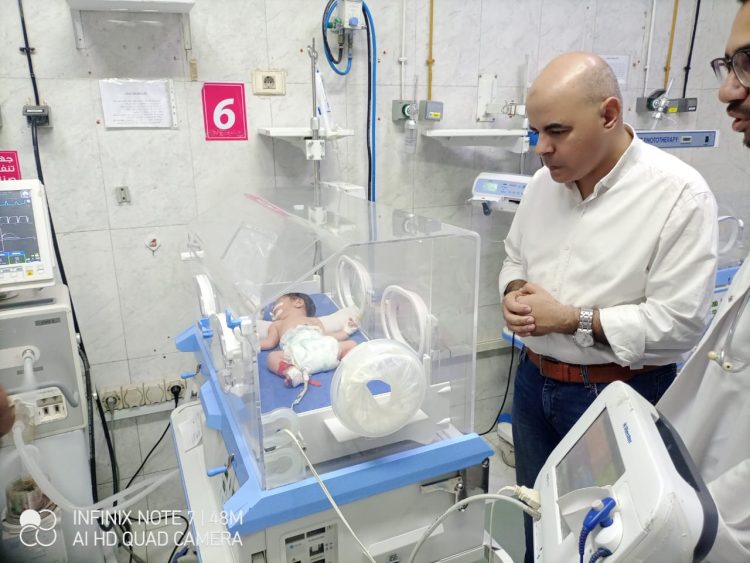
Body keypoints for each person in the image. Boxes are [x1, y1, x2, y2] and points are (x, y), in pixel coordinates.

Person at [498, 52, 719, 561]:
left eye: (556, 131)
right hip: (534, 385)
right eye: (534, 132)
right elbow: (513, 256)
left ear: (610, 114)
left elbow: (680, 325)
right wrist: (514, 291)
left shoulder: (679, 195)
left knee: (603, 544)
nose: (541, 148)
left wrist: (570, 319)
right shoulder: (542, 186)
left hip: (615, 394)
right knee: (540, 525)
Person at [658, 2, 750, 559]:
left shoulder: (679, 191)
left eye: (749, 63)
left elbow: (677, 321)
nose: (727, 91)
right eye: (729, 65)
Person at [260, 292, 358, 387]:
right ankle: (292, 372)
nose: (273, 309)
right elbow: (269, 342)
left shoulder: (314, 320)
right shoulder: (277, 324)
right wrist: (253, 344)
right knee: (271, 357)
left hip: (321, 348)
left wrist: (346, 331)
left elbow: (326, 337)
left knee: (352, 344)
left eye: (277, 304)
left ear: (298, 302)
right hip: (298, 353)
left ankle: (346, 365)